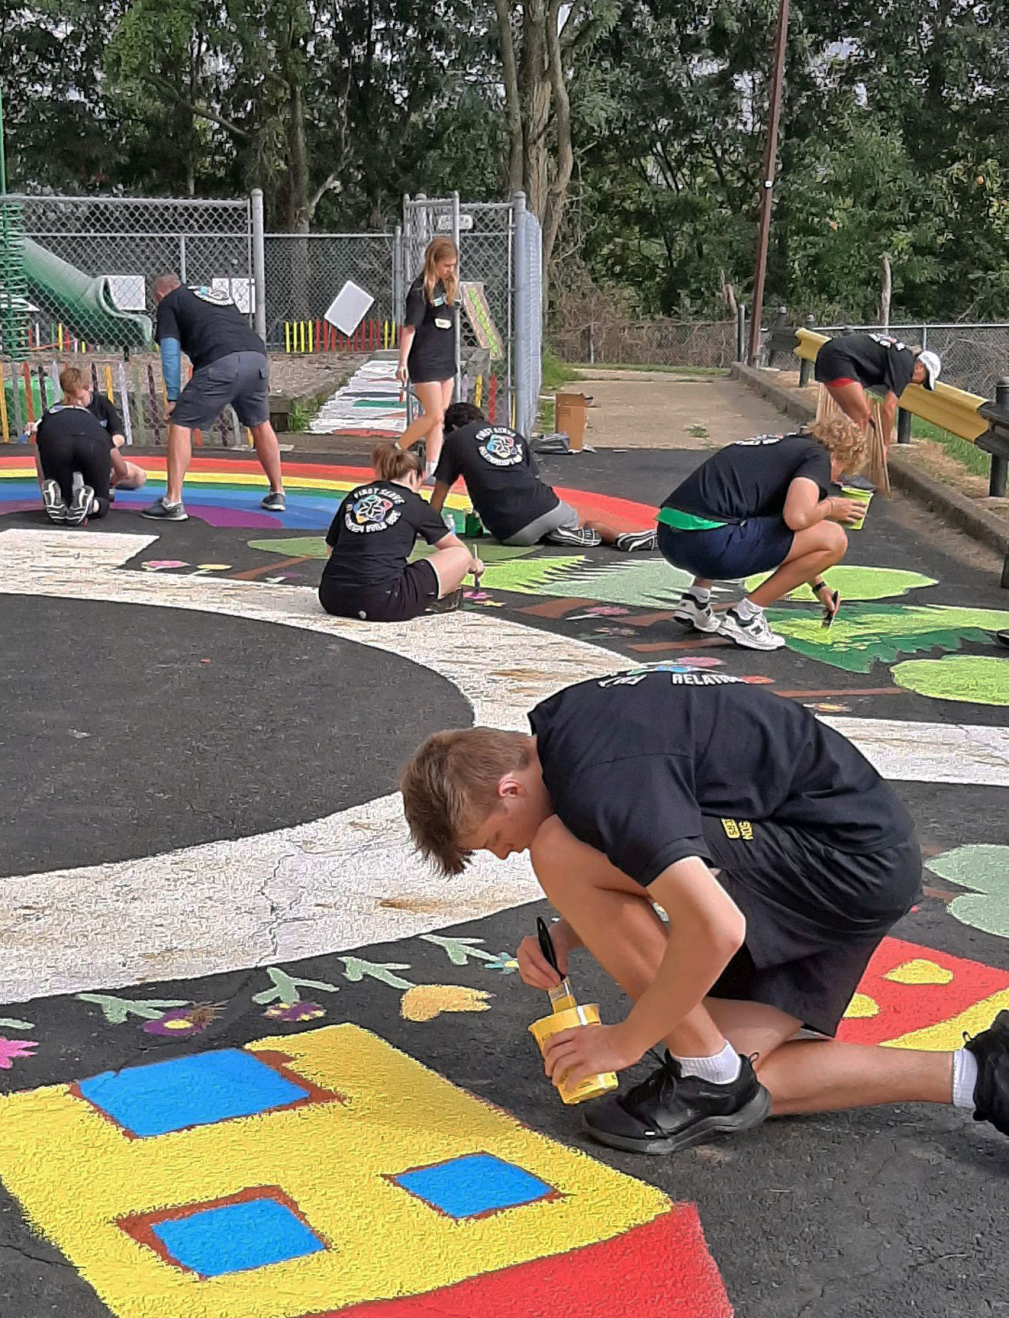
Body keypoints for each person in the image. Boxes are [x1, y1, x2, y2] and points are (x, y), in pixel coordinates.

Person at [400, 670, 1008, 1156]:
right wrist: (571, 930)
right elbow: (672, 833)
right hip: (843, 859)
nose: (507, 853)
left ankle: (705, 1073)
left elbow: (716, 924)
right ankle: (981, 1076)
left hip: (838, 863)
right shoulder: (571, 731)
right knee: (741, 1077)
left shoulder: (599, 780)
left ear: (510, 789)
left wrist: (624, 1040)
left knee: (558, 850)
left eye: (495, 839)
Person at [658, 416, 869, 651]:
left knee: (736, 512)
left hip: (670, 537)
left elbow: (779, 529)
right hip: (709, 547)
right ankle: (746, 617)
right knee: (834, 538)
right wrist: (831, 507)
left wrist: (818, 585)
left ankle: (696, 599)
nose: (835, 480)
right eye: (841, 471)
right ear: (839, 455)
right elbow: (797, 518)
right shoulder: (817, 456)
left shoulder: (779, 447)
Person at [141, 275, 285, 522]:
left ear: (160, 296)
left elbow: (170, 351)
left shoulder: (169, 303)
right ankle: (278, 492)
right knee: (261, 423)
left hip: (221, 362)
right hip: (257, 358)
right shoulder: (212, 295)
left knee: (180, 422)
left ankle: (173, 501)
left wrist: (173, 396)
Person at [430, 403, 657, 550]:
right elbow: (532, 477)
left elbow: (439, 494)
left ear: (453, 428)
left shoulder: (455, 441)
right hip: (546, 507)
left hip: (512, 531)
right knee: (583, 522)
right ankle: (618, 538)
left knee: (530, 527)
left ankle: (554, 535)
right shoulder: (512, 434)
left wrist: (424, 529)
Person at [319, 443, 482, 621]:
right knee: (460, 556)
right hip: (383, 603)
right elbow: (455, 550)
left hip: (332, 597)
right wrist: (473, 564)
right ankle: (440, 598)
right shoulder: (415, 503)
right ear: (414, 476)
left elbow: (330, 546)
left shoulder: (356, 495)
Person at [27, 366, 147, 504]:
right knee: (40, 444)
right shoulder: (59, 410)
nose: (78, 403)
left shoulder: (102, 404)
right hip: (74, 459)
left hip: (100, 456)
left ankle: (100, 484)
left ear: (88, 388)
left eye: (81, 398)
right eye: (72, 398)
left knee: (138, 477)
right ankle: (50, 490)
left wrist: (102, 446)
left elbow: (119, 436)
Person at [394, 237, 460, 477]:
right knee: (432, 415)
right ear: (434, 262)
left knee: (439, 421)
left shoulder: (447, 286)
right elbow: (410, 328)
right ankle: (396, 449)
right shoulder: (420, 290)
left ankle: (433, 469)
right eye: (446, 265)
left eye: (453, 265)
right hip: (425, 361)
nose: (450, 270)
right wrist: (402, 362)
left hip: (445, 361)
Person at [813, 332, 940, 448]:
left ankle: (825, 450)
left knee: (856, 417)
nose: (918, 384)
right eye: (924, 380)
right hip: (839, 359)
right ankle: (844, 465)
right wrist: (884, 445)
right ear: (919, 367)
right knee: (860, 418)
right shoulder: (906, 366)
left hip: (831, 353)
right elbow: (888, 409)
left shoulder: (900, 355)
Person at [34, 399, 116, 525]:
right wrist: (112, 482)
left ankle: (63, 499)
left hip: (56, 444)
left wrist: (45, 480)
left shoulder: (49, 415)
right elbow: (121, 468)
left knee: (65, 498)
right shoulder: (94, 421)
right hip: (92, 444)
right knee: (102, 500)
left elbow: (39, 450)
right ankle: (91, 504)